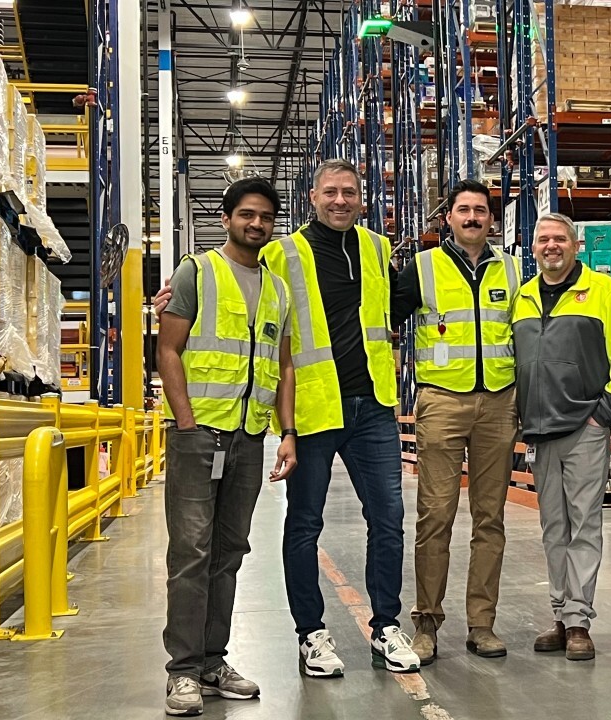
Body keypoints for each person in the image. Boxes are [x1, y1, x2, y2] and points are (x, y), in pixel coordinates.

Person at [156, 159, 419, 678]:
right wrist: (172, 296)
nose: (340, 200)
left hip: (372, 406)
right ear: (312, 198)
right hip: (313, 407)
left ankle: (386, 624)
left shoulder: (378, 248)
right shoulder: (279, 252)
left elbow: (400, 304)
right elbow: (243, 290)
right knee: (304, 525)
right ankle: (311, 633)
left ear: (362, 199)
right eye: (330, 192)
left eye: (349, 192)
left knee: (388, 519)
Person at [158, 178, 297, 715]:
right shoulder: (198, 272)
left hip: (248, 439)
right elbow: (168, 349)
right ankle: (183, 671)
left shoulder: (278, 289)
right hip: (199, 436)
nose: (256, 223)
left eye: (264, 216)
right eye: (246, 215)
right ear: (227, 218)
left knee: (228, 553)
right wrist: (187, 422)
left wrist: (286, 433)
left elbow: (282, 366)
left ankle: (213, 660)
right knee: (190, 554)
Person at [391, 179, 521, 663]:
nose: (472, 218)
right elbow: (379, 319)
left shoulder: (510, 269)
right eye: (463, 210)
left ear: (491, 219)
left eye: (480, 211)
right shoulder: (421, 269)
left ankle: (482, 625)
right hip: (442, 402)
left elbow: (526, 334)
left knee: (491, 519)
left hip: (499, 405)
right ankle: (426, 623)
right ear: (447, 217)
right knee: (436, 516)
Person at [510, 213, 611, 661]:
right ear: (533, 249)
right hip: (540, 431)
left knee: (583, 524)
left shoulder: (606, 293)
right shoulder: (523, 297)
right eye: (543, 239)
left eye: (560, 239)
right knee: (553, 528)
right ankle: (561, 613)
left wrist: (604, 414)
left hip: (584, 426)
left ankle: (579, 621)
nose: (552, 246)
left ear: (575, 245)